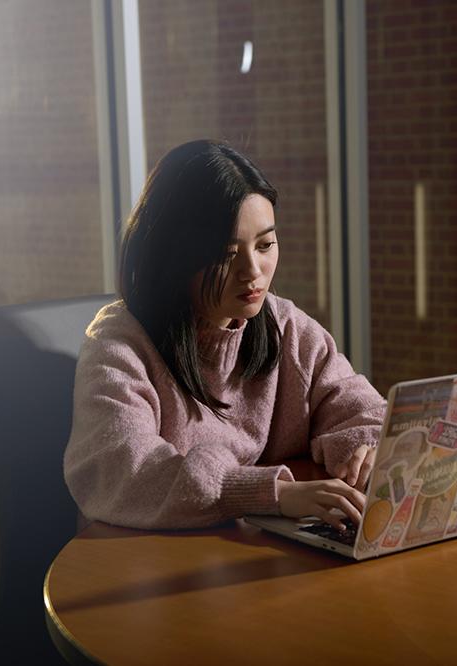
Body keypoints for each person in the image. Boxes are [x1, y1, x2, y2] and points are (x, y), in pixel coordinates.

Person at [64, 139, 385, 531]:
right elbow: (122, 470)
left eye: (266, 245)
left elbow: (362, 411)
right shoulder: (118, 344)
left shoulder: (285, 325)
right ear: (176, 256)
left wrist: (363, 451)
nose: (253, 271)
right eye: (227, 255)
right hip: (157, 564)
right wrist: (273, 494)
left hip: (252, 550)